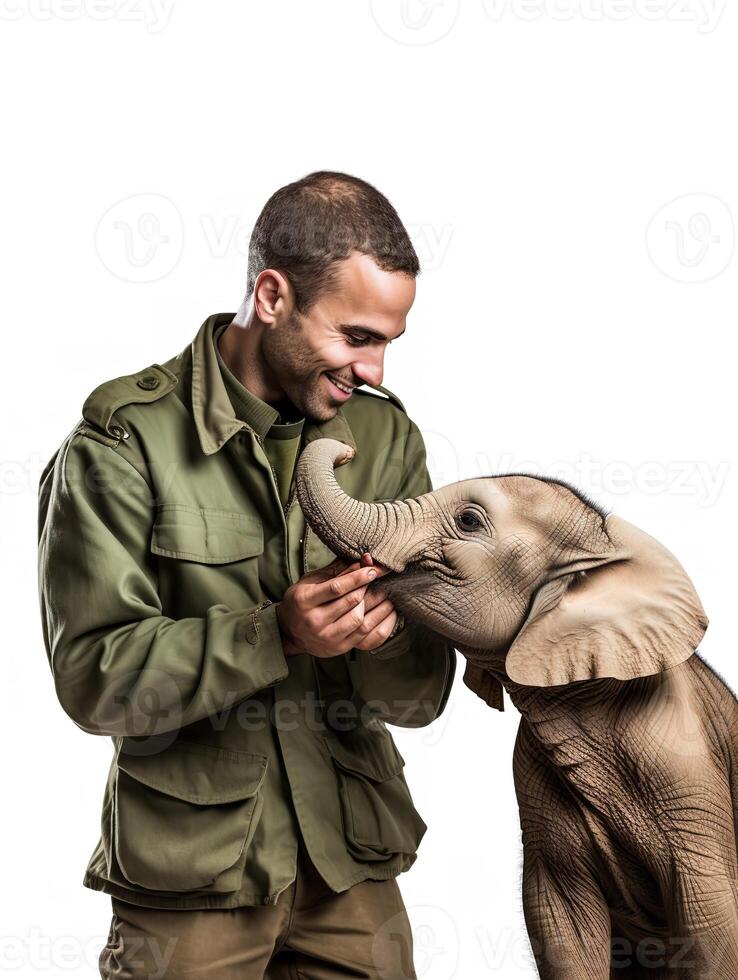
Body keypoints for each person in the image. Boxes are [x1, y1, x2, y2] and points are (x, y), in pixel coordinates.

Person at [37, 170, 456, 979]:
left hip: (351, 865)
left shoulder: (387, 438)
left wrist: (378, 641)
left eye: (389, 344)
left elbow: (422, 695)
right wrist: (277, 633)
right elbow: (92, 679)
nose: (373, 369)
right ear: (271, 296)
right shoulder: (122, 445)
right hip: (191, 882)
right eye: (356, 336)